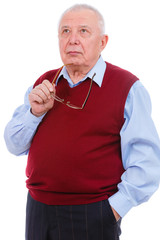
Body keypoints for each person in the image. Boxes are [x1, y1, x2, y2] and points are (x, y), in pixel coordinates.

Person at [4, 4, 160, 240]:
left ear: (103, 42)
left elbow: (147, 164)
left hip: (92, 213)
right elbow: (13, 145)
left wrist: (112, 210)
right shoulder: (44, 82)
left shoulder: (128, 87)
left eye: (83, 31)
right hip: (37, 208)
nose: (72, 39)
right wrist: (34, 114)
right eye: (65, 31)